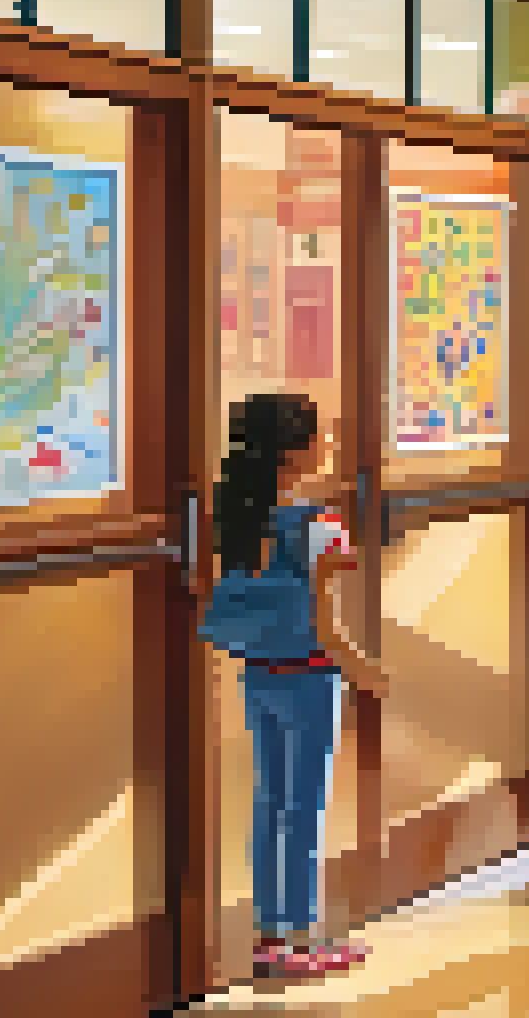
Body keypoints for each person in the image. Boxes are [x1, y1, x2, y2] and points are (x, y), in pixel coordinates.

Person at [209, 394, 387, 978]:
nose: (328, 445)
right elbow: (326, 627)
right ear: (294, 452)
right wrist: (366, 670)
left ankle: (267, 938)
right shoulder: (315, 527)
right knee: (305, 812)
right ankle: (304, 943)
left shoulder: (235, 519)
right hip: (310, 681)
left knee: (268, 805)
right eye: (321, 436)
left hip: (258, 676)